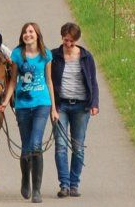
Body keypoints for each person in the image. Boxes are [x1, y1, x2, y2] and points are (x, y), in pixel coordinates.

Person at [0, 22, 58, 203]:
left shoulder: (46, 54)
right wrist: (6, 101)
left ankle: (37, 190)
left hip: (42, 103)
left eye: (31, 32)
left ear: (37, 35)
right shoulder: (17, 54)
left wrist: (54, 109)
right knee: (26, 147)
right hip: (23, 105)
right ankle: (25, 179)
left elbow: (49, 81)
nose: (28, 34)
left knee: (35, 145)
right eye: (25, 32)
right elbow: (13, 81)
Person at [51, 22, 99, 198]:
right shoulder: (54, 56)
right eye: (65, 40)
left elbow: (93, 82)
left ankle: (74, 184)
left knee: (78, 147)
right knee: (60, 146)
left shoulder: (86, 57)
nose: (68, 44)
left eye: (71, 41)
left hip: (81, 106)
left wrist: (94, 103)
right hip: (61, 105)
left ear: (76, 40)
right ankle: (64, 184)